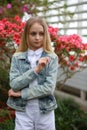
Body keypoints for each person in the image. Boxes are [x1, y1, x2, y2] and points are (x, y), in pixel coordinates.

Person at [7, 16, 58, 130]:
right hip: (23, 111)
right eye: (33, 33)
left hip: (45, 111)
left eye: (41, 33)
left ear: (46, 35)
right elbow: (14, 85)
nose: (37, 37)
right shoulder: (17, 57)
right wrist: (36, 70)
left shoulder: (52, 58)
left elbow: (49, 88)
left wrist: (22, 93)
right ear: (26, 35)